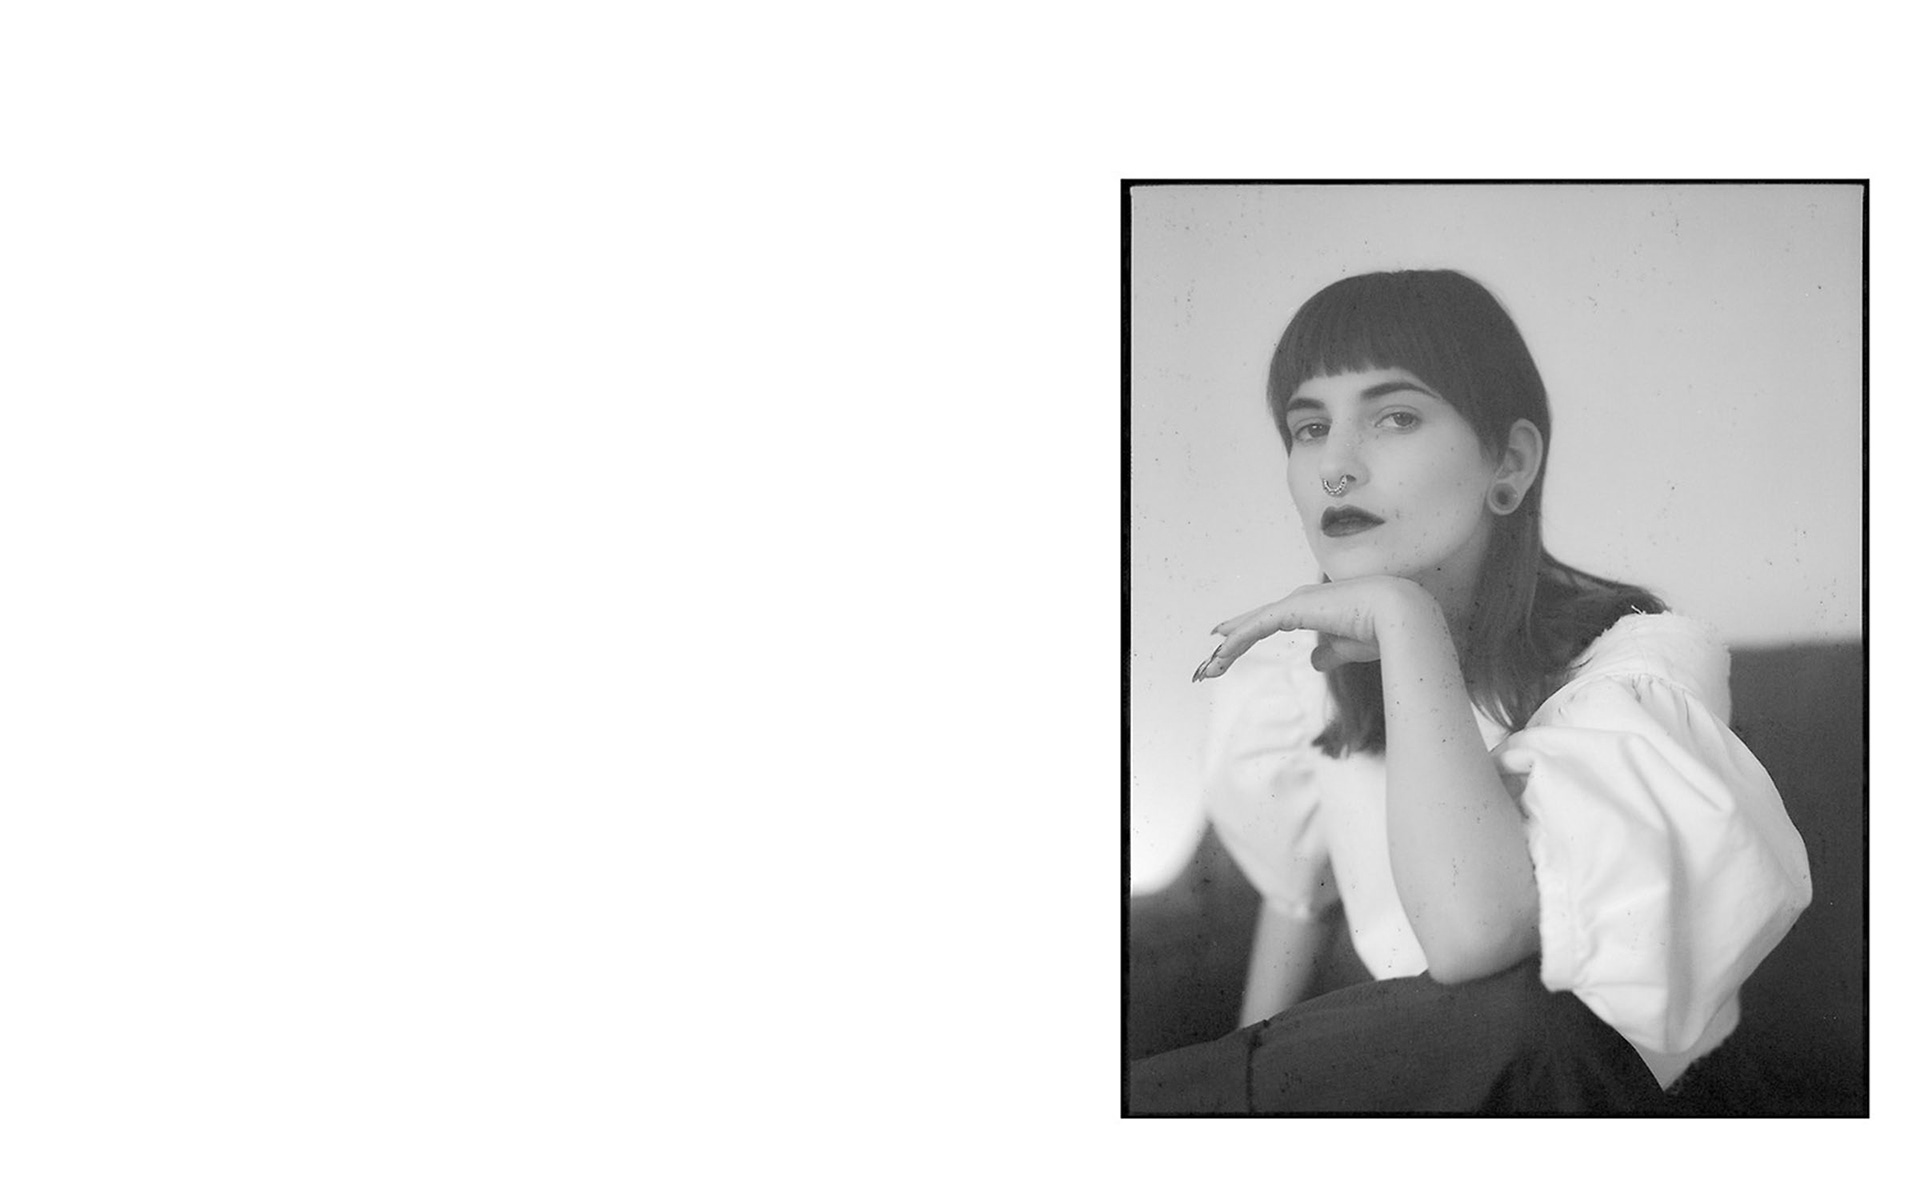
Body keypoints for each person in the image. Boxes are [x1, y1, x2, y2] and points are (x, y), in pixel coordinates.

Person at [1129, 269, 1813, 1115]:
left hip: (1590, 1103)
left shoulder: (1640, 670)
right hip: (1433, 1088)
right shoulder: (1308, 685)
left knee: (1520, 1017)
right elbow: (1296, 906)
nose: (1335, 468)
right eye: (1309, 428)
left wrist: (1405, 621)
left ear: (1510, 464)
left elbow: (1475, 942)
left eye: (1395, 417)